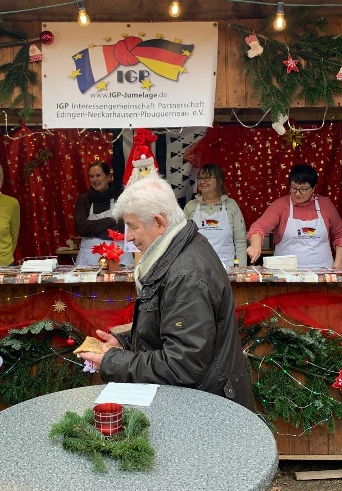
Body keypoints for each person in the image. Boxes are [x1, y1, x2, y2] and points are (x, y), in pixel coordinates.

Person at [78, 176, 254, 410]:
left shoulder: (186, 275)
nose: (128, 236)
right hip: (199, 400)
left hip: (207, 409)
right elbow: (170, 328)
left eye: (133, 226)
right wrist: (126, 342)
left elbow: (182, 365)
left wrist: (113, 361)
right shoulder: (177, 251)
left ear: (160, 222)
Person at [247, 164, 342, 269]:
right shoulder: (281, 205)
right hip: (285, 274)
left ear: (313, 188)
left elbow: (340, 235)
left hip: (322, 271)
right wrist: (255, 245)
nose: (298, 193)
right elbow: (258, 227)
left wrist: (338, 262)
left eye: (303, 189)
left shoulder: (325, 205)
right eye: (294, 188)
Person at [183, 163, 247, 267]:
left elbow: (240, 242)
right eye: (200, 178)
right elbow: (182, 240)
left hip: (226, 269)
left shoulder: (231, 205)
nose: (202, 181)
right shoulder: (190, 206)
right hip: (197, 270)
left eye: (207, 178)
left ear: (219, 181)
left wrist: (241, 270)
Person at [73, 161, 130, 267]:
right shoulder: (84, 200)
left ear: (108, 177)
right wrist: (112, 220)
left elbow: (123, 227)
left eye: (98, 175)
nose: (95, 180)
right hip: (89, 258)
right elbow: (80, 227)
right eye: (91, 176)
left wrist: (92, 231)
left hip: (119, 257)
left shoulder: (121, 198)